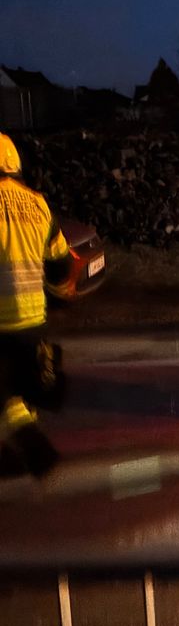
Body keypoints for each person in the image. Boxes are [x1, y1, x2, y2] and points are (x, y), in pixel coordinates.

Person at [0, 133, 71, 478]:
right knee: (23, 389)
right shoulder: (38, 204)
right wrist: (58, 298)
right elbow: (60, 261)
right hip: (32, 319)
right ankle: (18, 454)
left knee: (7, 397)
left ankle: (32, 449)